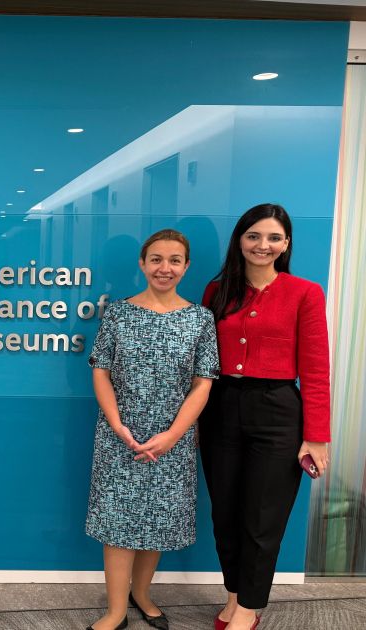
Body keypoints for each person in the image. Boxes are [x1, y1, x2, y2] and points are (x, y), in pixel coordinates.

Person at [200, 204, 331, 630]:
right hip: (221, 407)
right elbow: (202, 361)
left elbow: (316, 369)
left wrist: (317, 435)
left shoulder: (305, 293)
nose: (263, 245)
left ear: (286, 243)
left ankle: (250, 607)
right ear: (240, 240)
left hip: (277, 411)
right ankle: (234, 594)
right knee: (225, 513)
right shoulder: (216, 291)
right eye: (254, 236)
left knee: (263, 518)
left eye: (274, 237)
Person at [85, 229, 219, 630]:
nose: (165, 268)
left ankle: (142, 594)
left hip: (173, 438)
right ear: (142, 264)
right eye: (156, 259)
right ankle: (115, 611)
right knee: (117, 521)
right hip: (120, 436)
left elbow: (203, 383)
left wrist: (173, 436)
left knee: (157, 519)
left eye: (175, 260)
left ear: (186, 266)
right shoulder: (118, 313)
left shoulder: (200, 319)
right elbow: (101, 371)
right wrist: (117, 425)